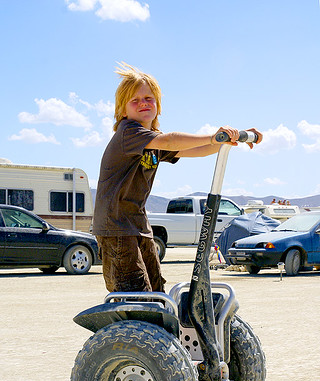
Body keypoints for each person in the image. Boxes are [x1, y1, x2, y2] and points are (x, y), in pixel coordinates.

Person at [92, 63, 263, 293]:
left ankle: (158, 327)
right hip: (116, 227)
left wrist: (226, 140)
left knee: (155, 288)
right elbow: (171, 141)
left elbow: (193, 150)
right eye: (135, 100)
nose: (143, 103)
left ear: (158, 105)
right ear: (123, 111)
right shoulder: (129, 133)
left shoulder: (152, 141)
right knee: (134, 291)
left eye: (148, 98)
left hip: (137, 225)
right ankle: (135, 328)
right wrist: (213, 137)